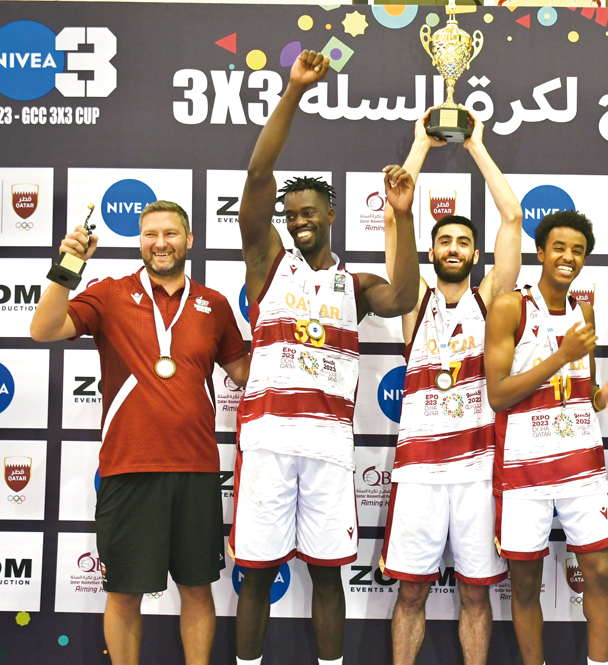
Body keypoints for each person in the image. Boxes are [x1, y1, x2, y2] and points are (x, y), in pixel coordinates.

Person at [230, 50, 420, 665]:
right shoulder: (268, 265)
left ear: (332, 214)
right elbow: (260, 175)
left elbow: (407, 296)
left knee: (327, 575)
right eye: (292, 215)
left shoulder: (355, 285)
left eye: (310, 211)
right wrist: (294, 90)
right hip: (268, 444)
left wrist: (404, 216)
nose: (299, 220)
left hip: (330, 450)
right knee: (255, 575)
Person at [30, 200, 249, 665]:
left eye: (171, 233)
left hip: (195, 470)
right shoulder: (109, 293)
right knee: (125, 593)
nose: (160, 243)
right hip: (129, 470)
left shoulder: (215, 305)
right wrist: (68, 266)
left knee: (196, 589)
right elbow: (43, 328)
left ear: (189, 241)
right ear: (140, 241)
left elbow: (245, 374)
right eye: (151, 234)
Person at [379, 110, 521, 665]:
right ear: (433, 251)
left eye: (464, 241)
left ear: (475, 254)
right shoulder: (413, 302)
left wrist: (478, 148)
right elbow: (395, 223)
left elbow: (511, 220)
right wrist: (418, 146)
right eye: (445, 241)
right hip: (419, 473)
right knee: (410, 592)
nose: (454, 247)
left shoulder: (490, 301)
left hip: (477, 471)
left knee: (475, 593)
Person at [484, 210, 608, 665]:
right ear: (541, 252)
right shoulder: (510, 307)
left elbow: (584, 391)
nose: (568, 257)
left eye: (578, 251)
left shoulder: (584, 310)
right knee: (525, 585)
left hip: (582, 469)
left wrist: (605, 398)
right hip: (525, 471)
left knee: (601, 574)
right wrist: (561, 356)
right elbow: (498, 394)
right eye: (559, 248)